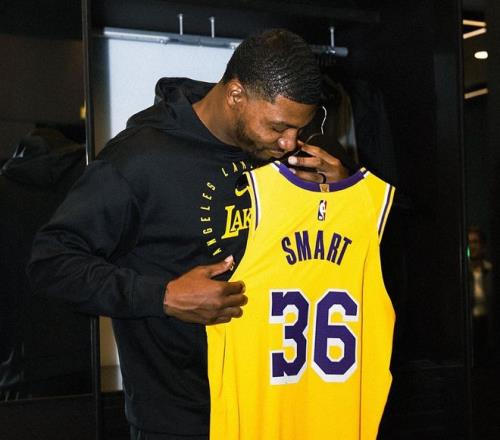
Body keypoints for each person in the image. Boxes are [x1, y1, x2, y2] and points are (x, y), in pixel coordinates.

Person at [27, 29, 348, 439]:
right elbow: (50, 263)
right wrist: (163, 296)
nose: (290, 143)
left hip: (274, 407)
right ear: (235, 95)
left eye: (299, 129)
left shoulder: (277, 154)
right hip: (181, 421)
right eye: (278, 127)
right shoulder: (138, 160)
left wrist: (337, 197)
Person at [468, 226, 493, 366]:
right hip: (470, 322)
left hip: (487, 321)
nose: (472, 246)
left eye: (475, 241)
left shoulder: (490, 269)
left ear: (483, 246)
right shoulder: (463, 271)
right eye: (469, 242)